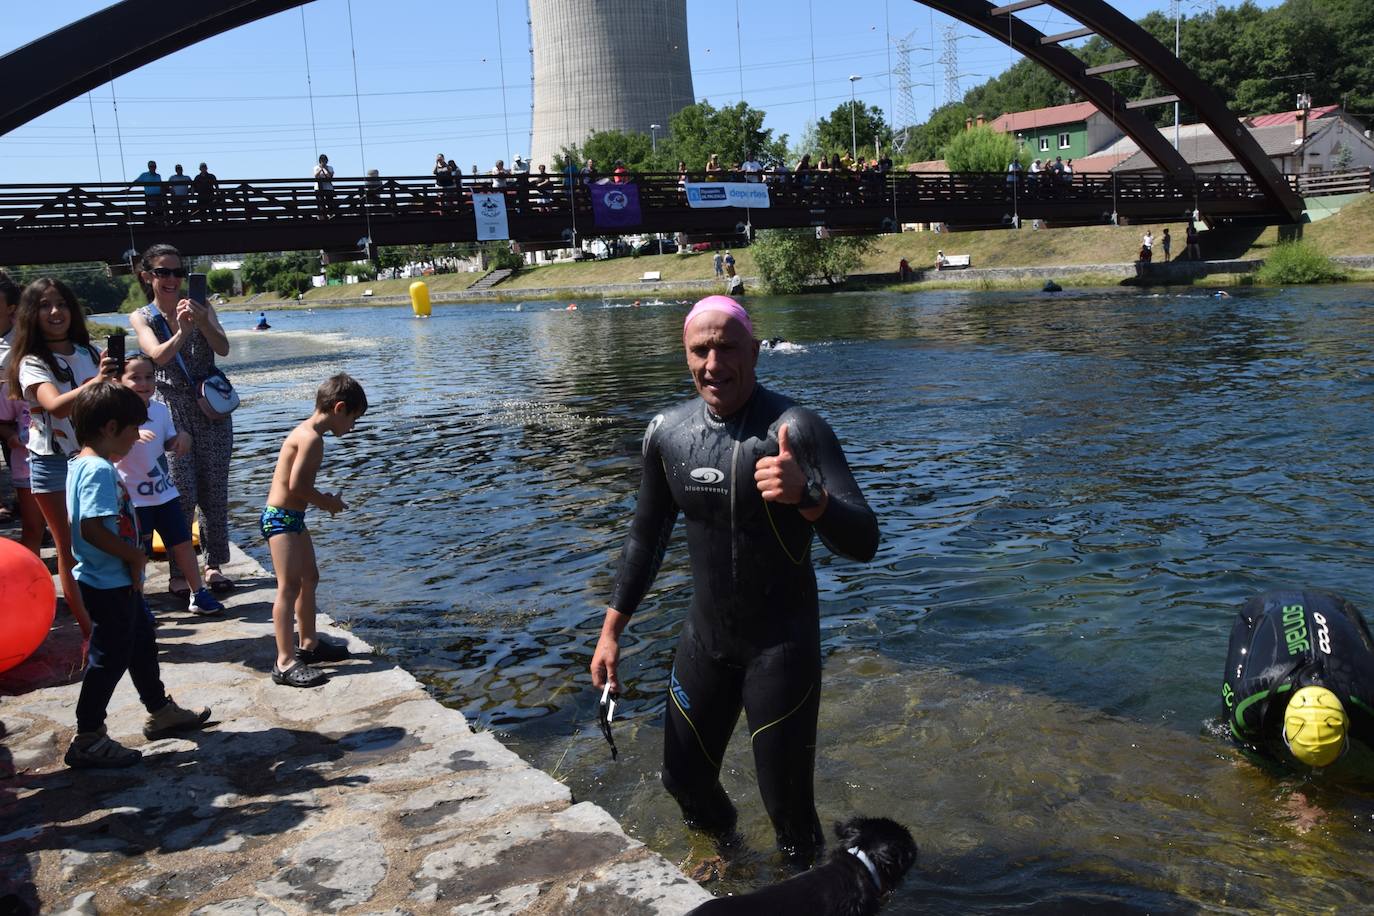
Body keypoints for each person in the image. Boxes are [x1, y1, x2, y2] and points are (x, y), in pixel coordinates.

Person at [590, 296, 879, 863]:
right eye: (700, 350)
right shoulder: (666, 432)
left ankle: (806, 896)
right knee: (683, 780)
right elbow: (644, 539)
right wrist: (611, 630)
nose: (713, 363)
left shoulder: (797, 429)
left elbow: (864, 540)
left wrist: (809, 498)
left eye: (726, 347)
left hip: (781, 646)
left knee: (790, 813)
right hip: (705, 642)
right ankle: (731, 860)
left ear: (754, 352)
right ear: (685, 356)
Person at [62, 382, 211, 768]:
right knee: (108, 659)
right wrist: (134, 556)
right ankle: (89, 737)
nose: (136, 439)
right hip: (110, 583)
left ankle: (160, 711)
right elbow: (92, 528)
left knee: (142, 641)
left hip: (111, 582)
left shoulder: (82, 462)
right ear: (111, 428)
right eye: (132, 430)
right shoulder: (97, 470)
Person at [7, 278, 122, 638]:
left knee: (103, 542)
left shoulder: (87, 352)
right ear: (31, 313)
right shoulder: (30, 360)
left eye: (61, 304)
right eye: (44, 305)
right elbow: (56, 407)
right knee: (70, 550)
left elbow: (101, 402)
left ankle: (112, 621)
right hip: (52, 464)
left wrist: (115, 384)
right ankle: (92, 636)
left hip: (95, 459)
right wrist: (98, 381)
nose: (55, 312)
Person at [128, 243, 234, 597]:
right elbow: (156, 355)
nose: (172, 279)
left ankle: (214, 563)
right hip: (170, 409)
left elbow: (223, 349)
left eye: (178, 272)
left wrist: (203, 321)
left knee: (215, 491)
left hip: (210, 407)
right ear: (147, 276)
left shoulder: (201, 307)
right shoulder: (142, 316)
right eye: (163, 272)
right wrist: (184, 331)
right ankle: (179, 572)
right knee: (179, 493)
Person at [261, 373, 367, 688]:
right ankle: (284, 661)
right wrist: (327, 503)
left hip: (292, 519)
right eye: (354, 419)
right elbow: (297, 486)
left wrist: (320, 501)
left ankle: (309, 643)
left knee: (310, 578)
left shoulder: (309, 434)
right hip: (280, 519)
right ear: (339, 408)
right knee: (289, 586)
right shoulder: (311, 439)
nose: (353, 427)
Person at [114, 354, 224, 616]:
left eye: (149, 377)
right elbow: (107, 453)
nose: (143, 383)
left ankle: (198, 593)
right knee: (137, 552)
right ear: (119, 380)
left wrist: (181, 438)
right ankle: (136, 600)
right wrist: (131, 435)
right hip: (133, 498)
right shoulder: (114, 413)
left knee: (183, 542)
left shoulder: (160, 409)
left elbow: (166, 442)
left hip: (163, 493)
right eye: (135, 378)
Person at [1222, 589, 1374, 773]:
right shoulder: (1253, 697)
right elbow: (1245, 752)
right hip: (1261, 610)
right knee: (1231, 732)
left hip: (1341, 609)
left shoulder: (1367, 699)